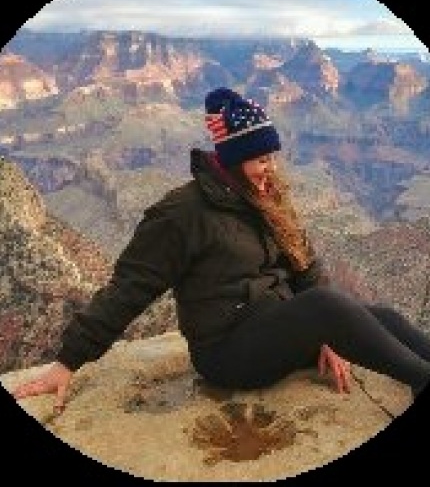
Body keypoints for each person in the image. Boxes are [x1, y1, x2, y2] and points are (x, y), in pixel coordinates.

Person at [11, 87, 430, 414]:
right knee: (327, 305)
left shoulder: (266, 198)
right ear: (233, 159)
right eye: (260, 159)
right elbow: (129, 288)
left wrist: (330, 335)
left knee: (385, 316)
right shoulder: (182, 213)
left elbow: (307, 266)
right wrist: (68, 361)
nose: (271, 170)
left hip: (277, 324)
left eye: (273, 157)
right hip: (228, 352)